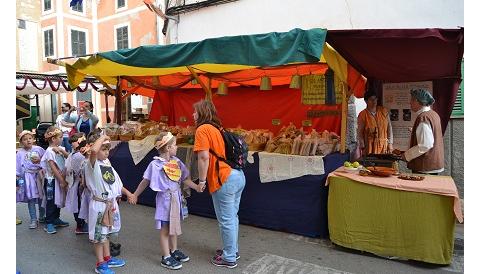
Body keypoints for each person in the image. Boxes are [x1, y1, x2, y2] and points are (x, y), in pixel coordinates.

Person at [131, 132, 205, 270]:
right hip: (165, 201)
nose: (177, 147)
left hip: (176, 199)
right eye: (175, 145)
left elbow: (185, 179)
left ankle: (174, 250)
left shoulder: (176, 162)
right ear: (168, 148)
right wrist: (135, 194)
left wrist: (196, 187)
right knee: (165, 229)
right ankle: (165, 257)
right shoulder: (155, 165)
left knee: (174, 227)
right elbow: (145, 181)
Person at [192, 100, 246, 269]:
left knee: (226, 220)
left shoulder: (202, 129)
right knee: (232, 217)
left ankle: (229, 257)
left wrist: (201, 181)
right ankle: (232, 250)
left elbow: (203, 157)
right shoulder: (217, 128)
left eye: (195, 112)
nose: (192, 115)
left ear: (201, 113)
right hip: (237, 175)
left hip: (224, 178)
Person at [83, 133, 134, 274]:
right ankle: (100, 264)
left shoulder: (106, 163)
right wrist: (103, 136)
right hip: (99, 205)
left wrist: (128, 193)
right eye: (103, 149)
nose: (107, 152)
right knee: (99, 237)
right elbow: (93, 151)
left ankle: (107, 258)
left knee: (105, 234)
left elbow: (115, 182)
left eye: (108, 149)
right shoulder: (91, 164)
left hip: (109, 205)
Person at [400, 88, 444, 175]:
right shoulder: (433, 114)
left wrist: (407, 155)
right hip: (432, 164)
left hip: (425, 167)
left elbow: (425, 145)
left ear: (417, 101)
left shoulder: (423, 117)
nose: (410, 103)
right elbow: (432, 135)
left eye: (411, 100)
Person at [40, 126, 70, 234]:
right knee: (51, 201)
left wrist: (62, 150)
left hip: (58, 180)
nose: (62, 138)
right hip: (51, 181)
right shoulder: (49, 151)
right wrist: (62, 181)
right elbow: (53, 167)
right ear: (53, 139)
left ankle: (56, 218)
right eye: (60, 137)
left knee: (59, 200)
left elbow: (69, 158)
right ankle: (49, 222)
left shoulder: (60, 149)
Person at [16, 130, 46, 229]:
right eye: (25, 139)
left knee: (41, 197)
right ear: (21, 142)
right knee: (31, 199)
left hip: (39, 176)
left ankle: (42, 216)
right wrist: (18, 180)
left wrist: (40, 161)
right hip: (28, 178)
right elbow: (17, 168)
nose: (28, 141)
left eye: (30, 138)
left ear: (33, 139)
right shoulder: (19, 153)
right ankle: (33, 219)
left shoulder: (39, 149)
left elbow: (46, 160)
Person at [64, 132, 89, 234]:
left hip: (76, 183)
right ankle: (80, 225)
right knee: (79, 205)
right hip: (79, 184)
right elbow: (81, 171)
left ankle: (81, 224)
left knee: (78, 205)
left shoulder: (75, 154)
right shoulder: (78, 156)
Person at [357, 91, 393, 156]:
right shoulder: (362, 115)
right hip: (370, 148)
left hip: (384, 146)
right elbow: (360, 133)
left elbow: (389, 128)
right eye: (371, 99)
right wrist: (363, 147)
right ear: (366, 101)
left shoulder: (383, 111)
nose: (374, 101)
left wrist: (390, 143)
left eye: (375, 99)